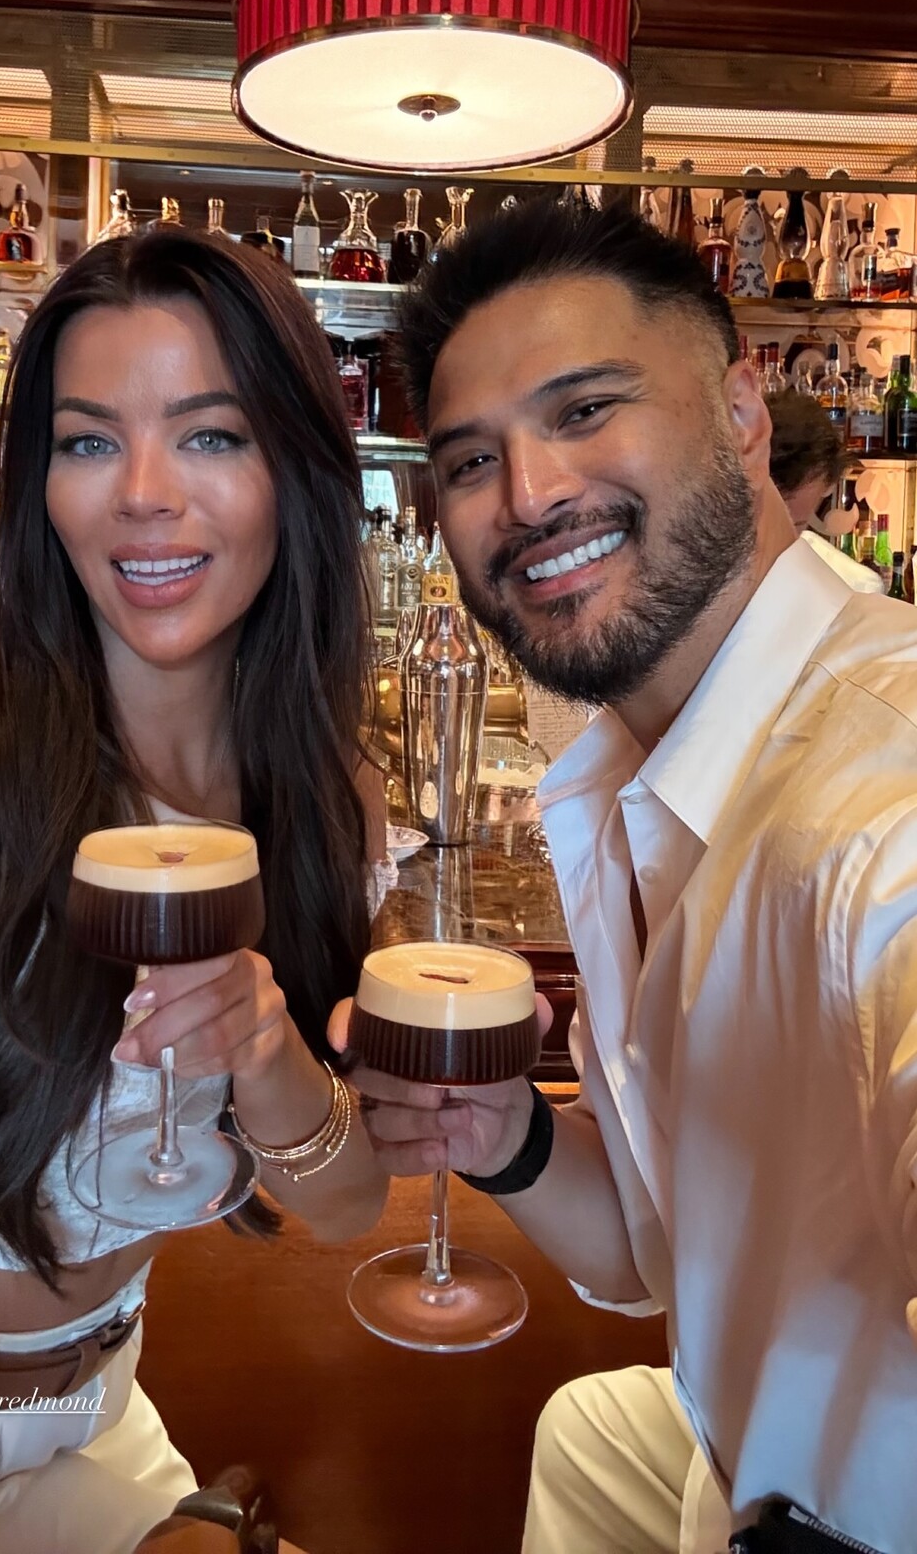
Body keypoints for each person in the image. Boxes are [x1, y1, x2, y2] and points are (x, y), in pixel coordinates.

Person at [336, 196, 917, 1554]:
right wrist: (509, 1139)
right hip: (740, 1456)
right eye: (470, 460)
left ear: (741, 411)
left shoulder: (878, 789)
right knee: (591, 1437)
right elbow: (654, 1256)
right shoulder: (625, 785)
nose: (529, 496)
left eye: (586, 409)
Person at [0, 227, 389, 1552]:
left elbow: (348, 1204)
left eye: (210, 436)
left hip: (98, 1419)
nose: (142, 494)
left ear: (296, 474)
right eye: (89, 442)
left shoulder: (330, 802)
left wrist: (269, 1053)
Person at [765, 386, 882, 592]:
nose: (779, 540)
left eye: (795, 525)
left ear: (829, 486)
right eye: (768, 520)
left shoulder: (855, 585)